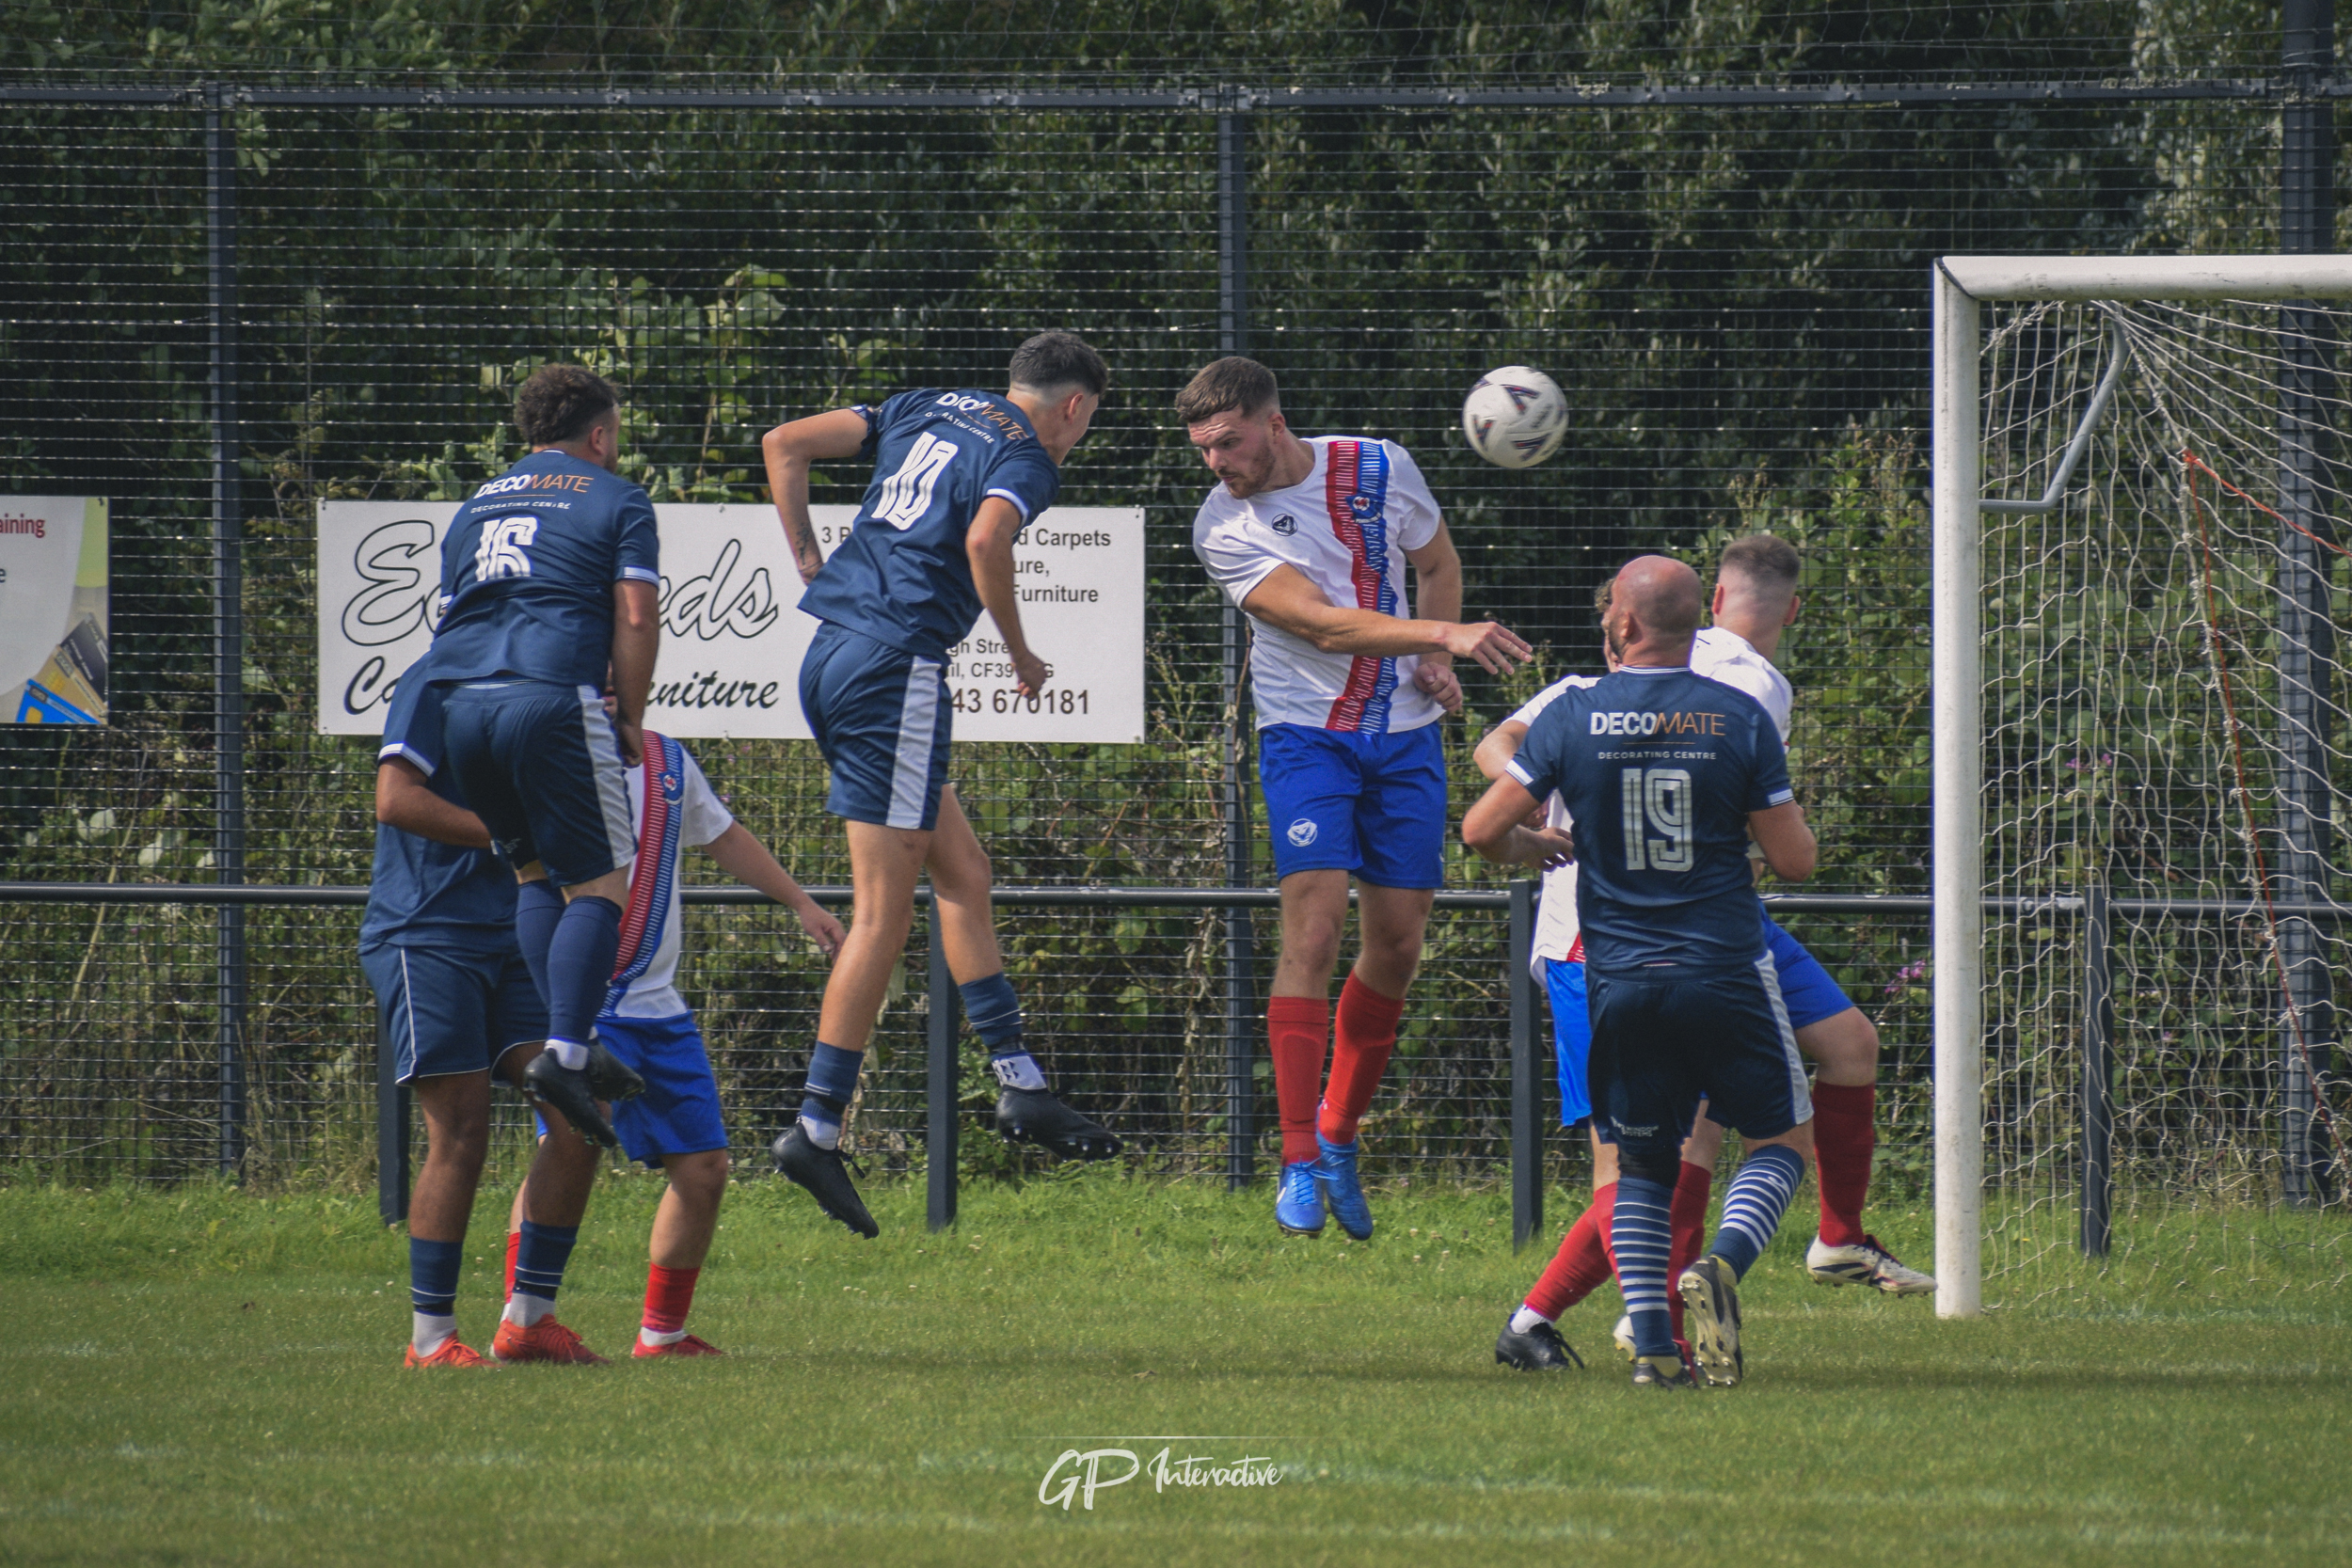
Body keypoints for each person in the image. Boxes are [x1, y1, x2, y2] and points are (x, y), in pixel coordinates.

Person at [758, 331, 1120, 1239]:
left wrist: (807, 554)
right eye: (1086, 423)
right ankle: (815, 1123)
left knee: (964, 874)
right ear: (1073, 406)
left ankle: (1020, 1082)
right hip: (897, 666)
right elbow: (987, 537)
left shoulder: (927, 405)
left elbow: (783, 443)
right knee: (884, 911)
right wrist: (1019, 649)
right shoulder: (1025, 453)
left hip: (833, 652)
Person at [1182, 356, 1531, 1242]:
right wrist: (1444, 630)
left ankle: (1338, 1133)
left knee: (1399, 945)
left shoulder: (1380, 465)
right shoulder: (1223, 527)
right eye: (1203, 449)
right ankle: (1297, 1155)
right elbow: (1322, 625)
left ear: (1273, 419)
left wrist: (1436, 661)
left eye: (1228, 442)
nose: (1217, 463)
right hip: (1306, 737)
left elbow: (1438, 559)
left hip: (1407, 737)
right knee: (1313, 931)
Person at [1464, 555, 1819, 1390]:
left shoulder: (1572, 716)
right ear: (1701, 623)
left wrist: (1535, 843)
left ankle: (1656, 1350)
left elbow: (1481, 830)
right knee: (1779, 1139)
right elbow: (1796, 860)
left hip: (1619, 973)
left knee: (1641, 1168)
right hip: (1724, 964)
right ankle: (1724, 1258)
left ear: (1622, 626)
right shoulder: (1739, 715)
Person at [501, 721, 846, 1357]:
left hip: (659, 1011)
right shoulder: (545, 748)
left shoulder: (667, 759)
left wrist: (800, 901)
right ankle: (522, 1317)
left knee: (706, 1167)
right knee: (566, 1150)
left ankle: (662, 1333)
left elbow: (721, 833)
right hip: (582, 1007)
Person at [405, 363, 662, 1148]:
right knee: (605, 880)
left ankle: (565, 1041)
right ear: (598, 433)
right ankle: (567, 1052)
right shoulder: (620, 498)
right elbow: (637, 611)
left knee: (532, 870)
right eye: (615, 434)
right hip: (552, 697)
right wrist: (630, 713)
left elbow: (451, 617)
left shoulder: (475, 506)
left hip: (460, 706)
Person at [366, 674, 605, 1368]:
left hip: (515, 928)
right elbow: (394, 798)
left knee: (577, 1110)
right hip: (428, 930)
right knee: (462, 1127)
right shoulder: (435, 681)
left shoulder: (546, 691)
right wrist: (510, 836)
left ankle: (529, 1319)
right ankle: (431, 1338)